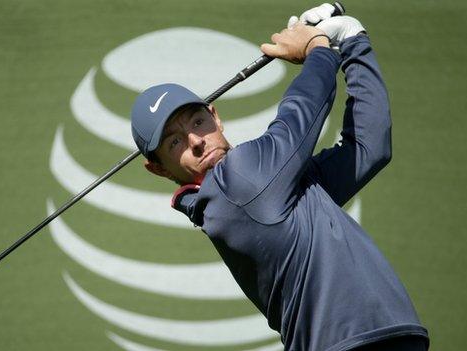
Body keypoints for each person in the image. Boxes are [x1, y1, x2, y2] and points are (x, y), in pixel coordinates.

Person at [129, 5, 429, 351]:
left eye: (197, 121)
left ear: (215, 117)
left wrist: (353, 44)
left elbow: (369, 145)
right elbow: (300, 111)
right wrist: (318, 48)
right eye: (175, 142)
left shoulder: (275, 191)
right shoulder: (234, 187)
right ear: (160, 169)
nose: (196, 141)